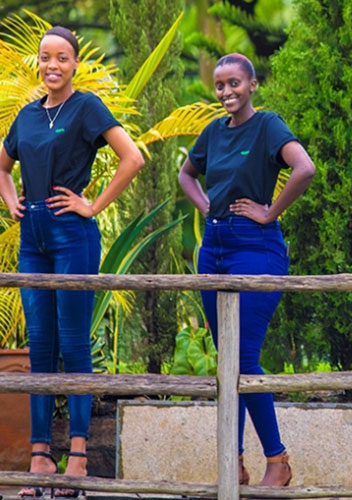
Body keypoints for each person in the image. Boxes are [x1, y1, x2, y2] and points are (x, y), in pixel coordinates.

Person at [0, 26, 145, 498]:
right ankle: (40, 455)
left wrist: (93, 206)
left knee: (74, 343)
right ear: (38, 63)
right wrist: (10, 203)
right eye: (45, 58)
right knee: (40, 345)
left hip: (72, 233)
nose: (52, 65)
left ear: (75, 64)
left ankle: (78, 456)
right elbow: (2, 166)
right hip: (32, 236)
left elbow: (132, 157)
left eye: (62, 58)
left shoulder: (86, 107)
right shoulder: (25, 116)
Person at [178, 53, 315, 487]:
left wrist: (270, 212)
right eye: (220, 85)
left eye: (234, 83)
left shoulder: (268, 125)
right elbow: (187, 174)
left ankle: (277, 460)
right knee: (227, 362)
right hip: (214, 247)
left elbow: (305, 167)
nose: (226, 92)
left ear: (252, 85)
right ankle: (233, 463)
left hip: (255, 247)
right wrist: (206, 206)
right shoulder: (213, 132)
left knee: (244, 357)